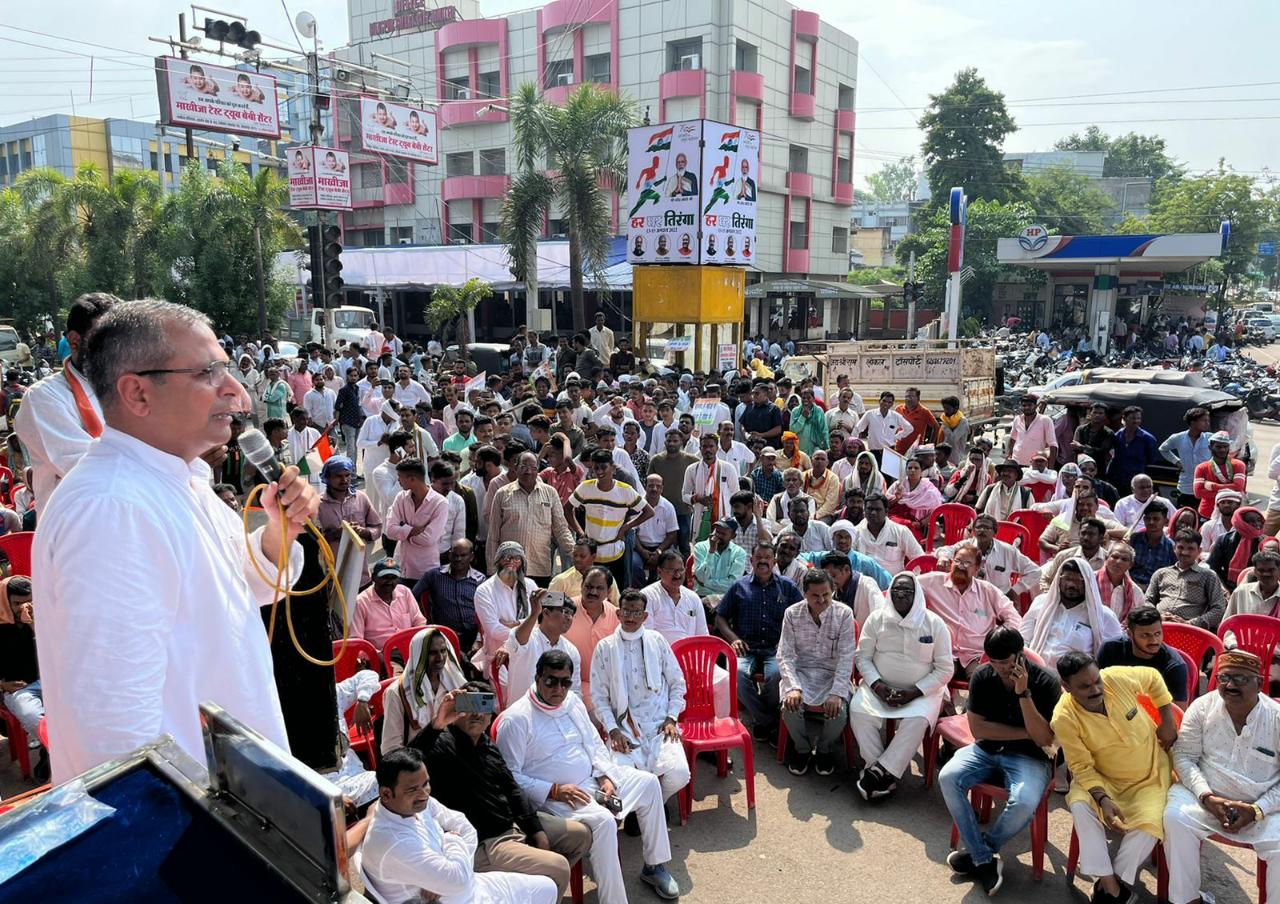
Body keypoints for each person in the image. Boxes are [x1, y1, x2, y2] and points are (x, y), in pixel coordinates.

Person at [33, 299, 319, 782]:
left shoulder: (180, 480)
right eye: (208, 373)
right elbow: (114, 737)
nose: (235, 391)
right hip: (185, 828)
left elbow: (247, 583)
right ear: (138, 394)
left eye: (226, 369)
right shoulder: (112, 507)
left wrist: (280, 531)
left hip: (232, 808)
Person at [496, 650, 682, 902]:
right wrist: (553, 790)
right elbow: (510, 778)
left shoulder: (572, 702)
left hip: (593, 782)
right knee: (605, 822)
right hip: (557, 798)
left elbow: (594, 743)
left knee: (648, 784)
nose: (559, 689)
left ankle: (654, 866)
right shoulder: (516, 719)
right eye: (551, 681)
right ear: (537, 677)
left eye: (565, 682)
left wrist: (605, 776)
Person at [409, 681, 591, 901]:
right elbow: (408, 763)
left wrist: (536, 831)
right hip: (486, 842)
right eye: (469, 704)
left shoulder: (486, 743)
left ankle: (533, 891)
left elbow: (512, 789)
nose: (477, 713)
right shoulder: (441, 743)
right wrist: (437, 724)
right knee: (558, 867)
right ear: (458, 709)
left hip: (511, 824)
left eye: (483, 705)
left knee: (580, 835)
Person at [940, 626, 1059, 896]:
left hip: (1031, 757)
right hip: (986, 749)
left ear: (1020, 656)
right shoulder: (983, 675)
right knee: (948, 777)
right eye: (994, 662)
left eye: (1005, 662)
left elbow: (1044, 740)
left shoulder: (1046, 682)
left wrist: (1023, 694)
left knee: (1025, 801)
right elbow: (979, 730)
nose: (999, 668)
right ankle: (984, 858)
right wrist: (1026, 732)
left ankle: (981, 850)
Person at [1052, 653, 1177, 904]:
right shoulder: (1063, 718)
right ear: (1066, 688)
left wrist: (1167, 719)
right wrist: (1102, 797)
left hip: (1151, 775)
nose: (1096, 689)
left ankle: (1110, 884)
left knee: (1153, 822)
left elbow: (1153, 678)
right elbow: (1081, 767)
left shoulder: (1115, 678)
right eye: (1085, 686)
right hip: (1103, 779)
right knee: (1078, 804)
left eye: (1096, 680)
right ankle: (1112, 886)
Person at [360, 747, 559, 904]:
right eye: (413, 789)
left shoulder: (414, 803)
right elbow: (458, 879)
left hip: (470, 887)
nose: (424, 794)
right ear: (386, 794)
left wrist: (445, 871)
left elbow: (466, 826)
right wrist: (451, 839)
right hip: (458, 897)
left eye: (426, 783)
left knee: (548, 888)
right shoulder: (394, 842)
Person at [1163, 649, 1280, 904]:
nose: (1230, 685)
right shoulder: (1202, 707)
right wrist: (1207, 797)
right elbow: (1184, 757)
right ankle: (1188, 900)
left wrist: (1257, 809)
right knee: (1175, 817)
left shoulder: (1277, 717)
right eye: (1224, 678)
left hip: (1263, 808)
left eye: (1240, 679)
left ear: (1260, 683)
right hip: (1205, 798)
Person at [849, 572, 952, 799]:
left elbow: (945, 669)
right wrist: (877, 686)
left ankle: (878, 772)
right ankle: (882, 769)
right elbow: (862, 657)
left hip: (921, 692)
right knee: (857, 710)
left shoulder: (935, 624)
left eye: (907, 591)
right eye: (896, 591)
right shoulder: (877, 619)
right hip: (878, 688)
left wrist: (914, 692)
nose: (900, 596)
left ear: (917, 595)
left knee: (918, 719)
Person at [14, 292, 115, 505]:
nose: (117, 351)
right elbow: (91, 471)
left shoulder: (123, 388)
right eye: (107, 341)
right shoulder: (43, 398)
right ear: (75, 341)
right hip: (76, 529)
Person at [589, 589, 689, 801]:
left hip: (659, 725)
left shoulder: (658, 641)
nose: (630, 617)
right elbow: (599, 697)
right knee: (621, 777)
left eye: (636, 612)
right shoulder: (605, 648)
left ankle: (651, 803)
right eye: (626, 611)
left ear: (645, 616)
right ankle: (643, 805)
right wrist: (613, 730)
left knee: (679, 774)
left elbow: (677, 682)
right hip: (624, 728)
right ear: (618, 614)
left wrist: (672, 717)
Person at [715, 542, 804, 743]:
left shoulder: (787, 587)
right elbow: (720, 618)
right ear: (751, 560)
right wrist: (734, 639)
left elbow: (802, 615)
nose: (763, 561)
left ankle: (763, 721)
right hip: (745, 648)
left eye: (767, 557)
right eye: (758, 557)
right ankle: (770, 722)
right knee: (736, 675)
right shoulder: (739, 586)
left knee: (775, 676)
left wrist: (788, 641)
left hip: (776, 649)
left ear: (774, 561)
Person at [776, 568, 857, 777]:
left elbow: (847, 656)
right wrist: (793, 687)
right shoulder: (792, 613)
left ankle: (824, 748)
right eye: (815, 595)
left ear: (833, 591)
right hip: (801, 673)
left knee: (838, 712)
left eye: (826, 595)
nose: (821, 600)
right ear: (805, 593)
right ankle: (802, 748)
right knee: (790, 706)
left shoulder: (844, 614)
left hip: (832, 675)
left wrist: (837, 692)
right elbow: (785, 655)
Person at [918, 545, 1023, 681]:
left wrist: (998, 641)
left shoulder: (988, 591)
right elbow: (903, 583)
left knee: (983, 680)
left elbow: (1014, 618)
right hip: (943, 651)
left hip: (977, 654)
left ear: (977, 569)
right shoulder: (933, 581)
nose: (961, 566)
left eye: (967, 563)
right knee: (933, 678)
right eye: (958, 561)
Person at [1021, 558, 1125, 677]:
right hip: (1037, 676)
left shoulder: (1104, 616)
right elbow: (1023, 640)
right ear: (1059, 580)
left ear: (1088, 582)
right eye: (1067, 579)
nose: (1071, 584)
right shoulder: (1041, 603)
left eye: (1078, 580)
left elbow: (1114, 657)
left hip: (1077, 682)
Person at [487, 452, 576, 587]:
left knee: (537, 607)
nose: (528, 471)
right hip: (509, 567)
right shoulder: (502, 494)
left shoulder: (550, 493)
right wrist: (492, 569)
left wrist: (575, 554)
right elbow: (493, 535)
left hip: (540, 567)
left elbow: (561, 529)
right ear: (515, 468)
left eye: (533, 468)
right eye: (524, 467)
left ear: (538, 470)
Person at [568, 448, 653, 588]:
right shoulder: (585, 488)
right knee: (590, 589)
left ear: (613, 468)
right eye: (596, 468)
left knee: (615, 592)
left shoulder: (625, 490)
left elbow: (648, 512)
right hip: (592, 554)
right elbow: (567, 509)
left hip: (615, 553)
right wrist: (580, 533)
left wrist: (626, 527)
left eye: (603, 467)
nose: (600, 471)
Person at [381, 627, 467, 756]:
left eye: (443, 651)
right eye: (433, 653)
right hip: (418, 761)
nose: (440, 658)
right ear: (419, 656)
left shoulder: (455, 683)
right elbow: (390, 750)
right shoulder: (396, 693)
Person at [1098, 606, 1191, 706]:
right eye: (1145, 635)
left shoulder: (1174, 666)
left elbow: (1177, 713)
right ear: (1130, 634)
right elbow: (1097, 689)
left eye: (1157, 634)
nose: (1154, 641)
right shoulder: (1110, 649)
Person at [0, 576, 45, 780]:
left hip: (47, 678)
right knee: (32, 715)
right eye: (17, 603)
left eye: (28, 601)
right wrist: (1, 685)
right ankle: (54, 750)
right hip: (18, 688)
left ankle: (49, 752)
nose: (23, 608)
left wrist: (34, 626)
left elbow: (55, 650)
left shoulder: (39, 615)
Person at [474, 541, 541, 672]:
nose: (512, 562)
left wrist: (516, 623)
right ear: (498, 561)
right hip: (499, 659)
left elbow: (539, 621)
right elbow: (493, 630)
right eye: (507, 558)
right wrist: (526, 628)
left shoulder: (530, 585)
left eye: (517, 558)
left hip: (529, 654)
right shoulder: (484, 590)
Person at [315, 455, 381, 587]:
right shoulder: (317, 504)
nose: (344, 480)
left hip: (361, 576)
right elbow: (312, 541)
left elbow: (377, 527)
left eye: (347, 475)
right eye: (338, 476)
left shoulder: (361, 498)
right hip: (332, 577)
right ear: (327, 478)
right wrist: (335, 534)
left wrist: (362, 532)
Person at [942, 514, 1041, 601]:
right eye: (979, 527)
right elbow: (944, 550)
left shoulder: (1008, 551)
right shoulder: (966, 546)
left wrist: (1015, 591)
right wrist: (944, 557)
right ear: (973, 531)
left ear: (995, 532)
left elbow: (1035, 571)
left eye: (987, 528)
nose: (982, 530)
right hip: (967, 597)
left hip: (997, 600)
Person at [505, 590, 581, 701]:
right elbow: (518, 641)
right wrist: (534, 613)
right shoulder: (528, 637)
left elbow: (575, 691)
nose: (569, 618)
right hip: (523, 714)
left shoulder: (571, 650)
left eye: (571, 614)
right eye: (565, 611)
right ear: (546, 613)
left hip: (556, 714)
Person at [1145, 529, 1226, 632]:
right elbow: (1147, 600)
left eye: (1191, 548)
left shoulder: (1208, 576)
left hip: (1189, 630)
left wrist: (1190, 623)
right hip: (1158, 626)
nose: (1185, 552)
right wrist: (1158, 617)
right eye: (1180, 547)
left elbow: (1219, 608)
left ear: (1199, 551)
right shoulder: (1161, 573)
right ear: (1174, 548)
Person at [385, 458, 450, 584]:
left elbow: (428, 539)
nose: (398, 480)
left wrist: (403, 532)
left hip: (425, 570)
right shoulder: (401, 497)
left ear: (412, 479)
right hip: (401, 567)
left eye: (400, 476)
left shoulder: (440, 503)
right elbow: (390, 530)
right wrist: (414, 530)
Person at [353, 559, 428, 653]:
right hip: (382, 654)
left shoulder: (405, 592)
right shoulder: (360, 602)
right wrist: (377, 656)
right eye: (385, 577)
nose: (389, 582)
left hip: (411, 648)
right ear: (373, 578)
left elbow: (419, 622)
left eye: (393, 578)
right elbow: (357, 641)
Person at [684, 433, 740, 543]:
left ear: (717, 448)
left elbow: (736, 495)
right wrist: (697, 499)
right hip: (700, 517)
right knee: (700, 550)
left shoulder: (728, 468)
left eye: (711, 446)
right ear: (700, 448)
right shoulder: (692, 469)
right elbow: (684, 495)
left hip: (723, 518)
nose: (708, 450)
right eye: (704, 447)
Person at [853, 493, 923, 575]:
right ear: (864, 511)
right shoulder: (855, 532)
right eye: (870, 509)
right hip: (863, 583)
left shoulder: (901, 531)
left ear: (886, 511)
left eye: (878, 509)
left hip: (894, 584)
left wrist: (909, 580)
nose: (873, 513)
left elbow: (919, 558)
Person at [1159, 406, 1212, 509]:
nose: (1207, 423)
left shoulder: (1210, 438)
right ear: (1193, 422)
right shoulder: (1178, 438)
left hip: (1205, 487)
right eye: (1204, 421)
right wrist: (1176, 461)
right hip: (1185, 487)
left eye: (1207, 421)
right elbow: (1163, 449)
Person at [632, 474, 680, 586]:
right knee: (633, 564)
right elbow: (632, 532)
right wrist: (642, 551)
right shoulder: (637, 505)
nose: (654, 489)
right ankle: (641, 591)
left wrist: (658, 551)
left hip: (662, 547)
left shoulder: (668, 507)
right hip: (640, 547)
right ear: (645, 486)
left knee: (672, 562)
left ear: (662, 488)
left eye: (658, 486)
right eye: (651, 486)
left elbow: (672, 534)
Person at [1206, 504, 1267, 591]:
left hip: (1257, 588)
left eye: (1259, 520)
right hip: (1227, 586)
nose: (1257, 524)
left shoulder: (1265, 542)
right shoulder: (1224, 540)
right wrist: (1225, 590)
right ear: (1240, 521)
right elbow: (1213, 567)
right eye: (1252, 521)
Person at [691, 518, 749, 601]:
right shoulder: (700, 547)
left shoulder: (739, 553)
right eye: (717, 531)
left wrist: (707, 583)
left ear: (733, 536)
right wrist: (711, 552)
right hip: (702, 596)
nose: (718, 536)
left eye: (723, 533)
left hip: (726, 598)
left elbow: (733, 583)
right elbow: (701, 577)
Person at [1192, 430, 1245, 520]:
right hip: (1207, 513)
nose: (1222, 450)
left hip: (1232, 515)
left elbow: (1239, 487)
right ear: (1210, 447)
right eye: (1218, 447)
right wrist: (1230, 491)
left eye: (1225, 446)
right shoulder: (1201, 468)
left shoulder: (1239, 465)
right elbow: (1198, 493)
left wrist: (1213, 486)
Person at [1108, 406, 1158, 492]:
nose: (1136, 421)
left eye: (1138, 418)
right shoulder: (1117, 436)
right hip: (1117, 479)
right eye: (1133, 418)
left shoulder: (1148, 439)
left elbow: (1151, 460)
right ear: (1124, 418)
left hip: (1136, 481)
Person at [1126, 505, 1176, 588]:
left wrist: (1147, 588)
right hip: (1129, 586)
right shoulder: (1134, 539)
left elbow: (1171, 577)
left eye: (1156, 519)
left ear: (1165, 521)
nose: (1151, 522)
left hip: (1155, 592)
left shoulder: (1170, 547)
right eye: (1148, 518)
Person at [853, 391, 911, 458]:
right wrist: (854, 443)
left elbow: (909, 428)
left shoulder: (896, 416)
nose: (886, 404)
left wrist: (897, 437)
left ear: (892, 404)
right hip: (874, 452)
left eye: (889, 402)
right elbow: (857, 428)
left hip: (890, 451)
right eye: (884, 401)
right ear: (879, 401)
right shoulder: (870, 414)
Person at [1007, 394, 1058, 467]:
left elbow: (1053, 445)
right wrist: (1009, 455)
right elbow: (1012, 439)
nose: (1027, 407)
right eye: (1024, 405)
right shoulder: (1017, 419)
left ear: (1036, 406)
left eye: (1029, 405)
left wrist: (1050, 467)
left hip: (1036, 465)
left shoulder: (1045, 420)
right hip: (1016, 463)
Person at [893, 387, 939, 455]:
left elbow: (936, 427)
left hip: (916, 451)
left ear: (918, 398)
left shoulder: (924, 412)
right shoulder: (898, 409)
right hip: (899, 449)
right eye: (906, 396)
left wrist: (929, 444)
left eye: (911, 396)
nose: (908, 399)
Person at [1072, 402, 1116, 470]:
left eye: (1100, 413)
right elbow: (1075, 447)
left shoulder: (1109, 433)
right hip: (1080, 467)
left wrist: (1082, 447)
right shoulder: (1080, 429)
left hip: (1098, 469)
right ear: (1090, 414)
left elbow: (1102, 452)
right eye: (1095, 412)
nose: (1097, 415)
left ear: (1105, 416)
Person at [936, 395, 970, 465]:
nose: (945, 411)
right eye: (944, 408)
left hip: (956, 459)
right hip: (943, 459)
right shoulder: (945, 420)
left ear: (956, 408)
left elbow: (953, 439)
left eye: (947, 409)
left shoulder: (962, 421)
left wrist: (945, 427)